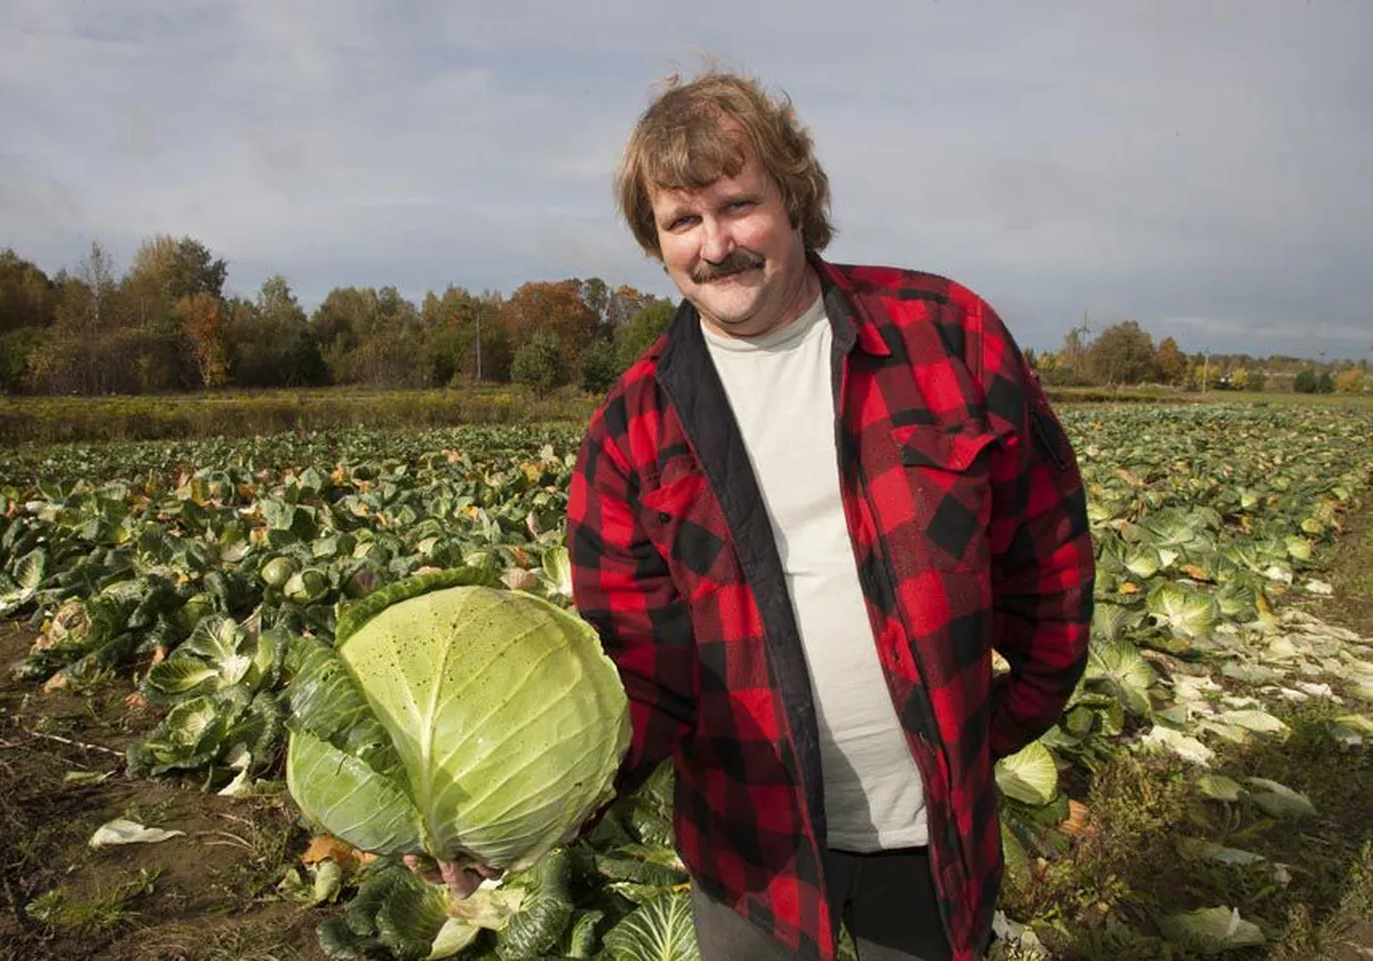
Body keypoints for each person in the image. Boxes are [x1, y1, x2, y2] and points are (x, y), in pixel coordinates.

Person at [415, 69, 1094, 961]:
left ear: (797, 200)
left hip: (931, 831)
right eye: (682, 221)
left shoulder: (946, 334)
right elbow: (636, 675)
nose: (716, 244)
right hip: (750, 852)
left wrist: (995, 726)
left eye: (738, 205)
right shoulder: (631, 429)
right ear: (656, 243)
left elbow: (1046, 551)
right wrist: (507, 813)